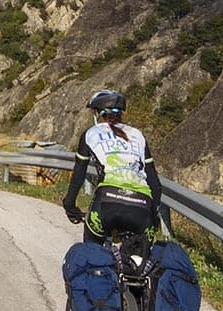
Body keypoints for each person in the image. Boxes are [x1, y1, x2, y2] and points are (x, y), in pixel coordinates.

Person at [61, 88, 163, 245]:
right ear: (121, 113)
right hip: (141, 206)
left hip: (106, 203)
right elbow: (155, 184)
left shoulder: (90, 133)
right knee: (142, 262)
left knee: (92, 252)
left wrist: (70, 206)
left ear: (97, 113)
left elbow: (79, 175)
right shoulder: (137, 135)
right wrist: (153, 213)